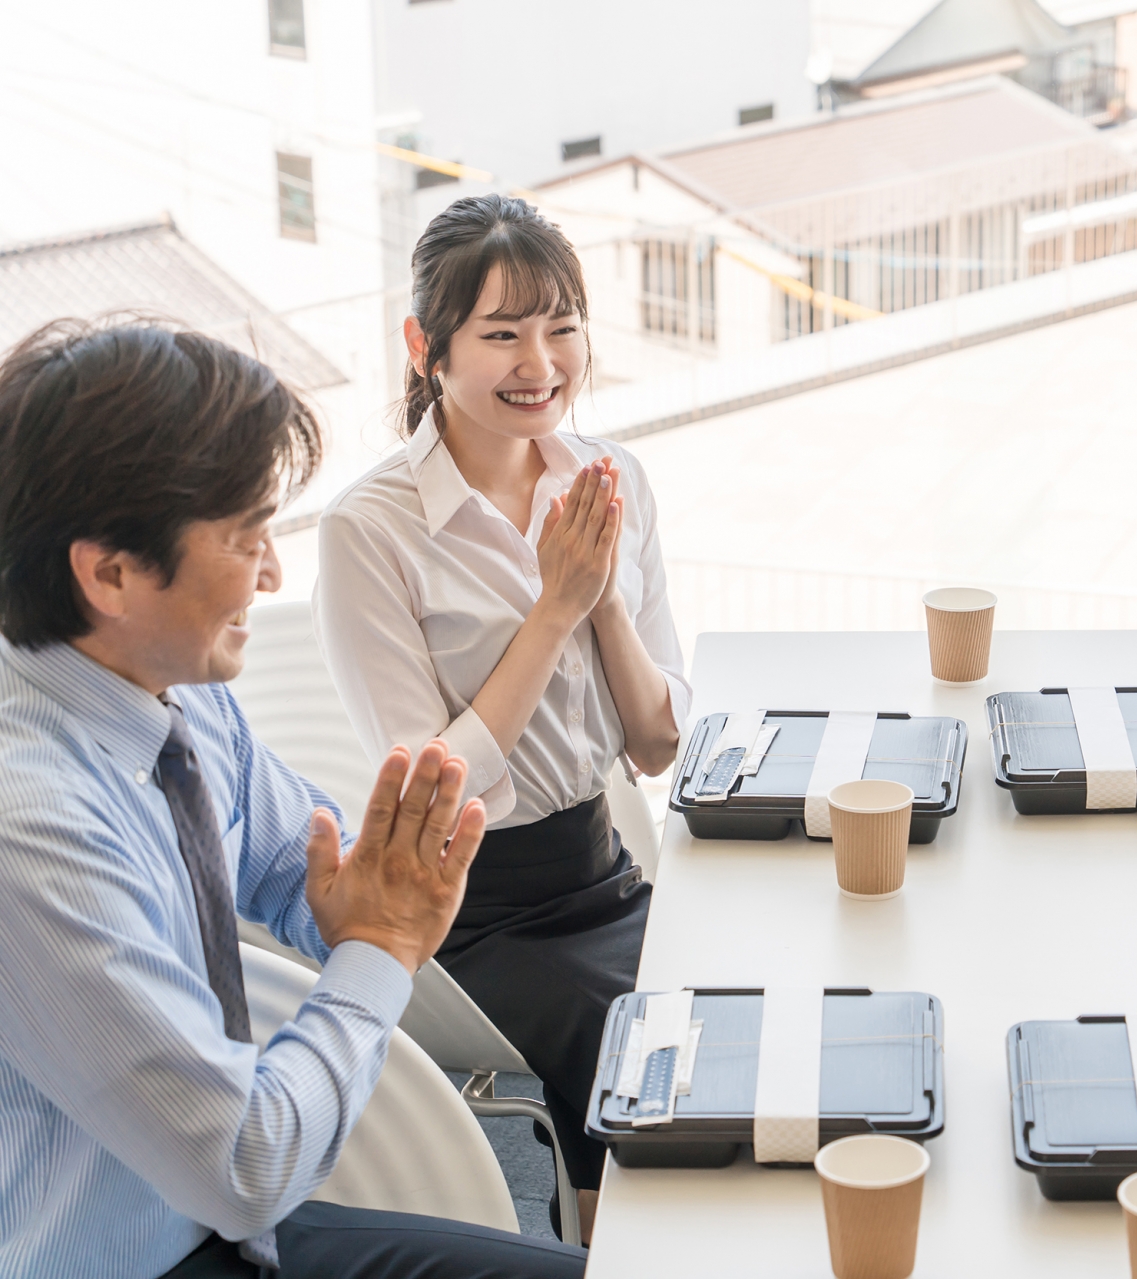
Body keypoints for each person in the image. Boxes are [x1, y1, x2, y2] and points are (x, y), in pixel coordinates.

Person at [0, 319, 586, 1278]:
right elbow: (248, 1162)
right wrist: (384, 946)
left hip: (224, 1223)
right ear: (107, 571)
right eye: (244, 539)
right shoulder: (30, 829)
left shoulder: (170, 688)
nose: (272, 572)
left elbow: (305, 869)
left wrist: (373, 907)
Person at [315, 194, 688, 1238]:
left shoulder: (611, 479)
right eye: (503, 333)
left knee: (742, 992)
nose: (542, 362)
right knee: (652, 1058)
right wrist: (555, 604)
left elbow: (658, 744)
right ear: (425, 347)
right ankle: (631, 1247)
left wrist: (601, 591)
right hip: (471, 913)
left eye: (562, 325)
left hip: (603, 870)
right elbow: (436, 789)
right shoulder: (369, 532)